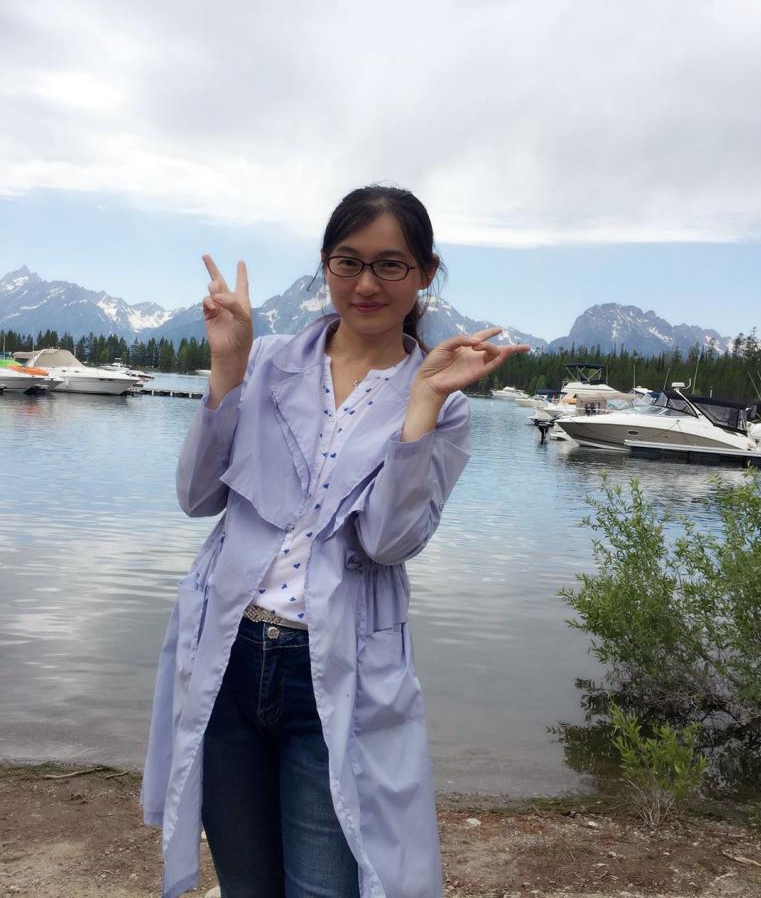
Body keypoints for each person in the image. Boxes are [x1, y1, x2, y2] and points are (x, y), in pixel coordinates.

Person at [140, 185, 529, 898]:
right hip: (228, 652)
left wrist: (420, 406)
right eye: (347, 262)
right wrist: (227, 368)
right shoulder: (265, 361)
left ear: (425, 273)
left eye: (390, 264)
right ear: (325, 265)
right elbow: (196, 496)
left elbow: (387, 542)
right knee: (246, 885)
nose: (365, 284)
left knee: (324, 885)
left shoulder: (443, 404)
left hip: (334, 666)